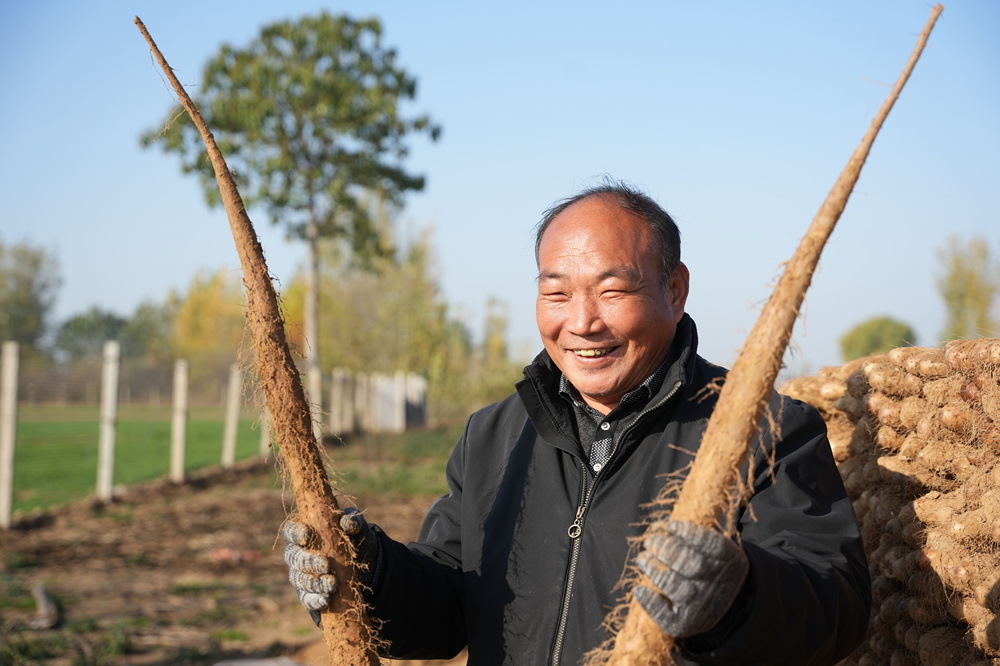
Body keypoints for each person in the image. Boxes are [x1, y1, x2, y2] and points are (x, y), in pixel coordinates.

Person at [283, 181, 872, 665]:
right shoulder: (493, 437)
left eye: (612, 290)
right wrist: (367, 574)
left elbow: (836, 609)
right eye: (556, 293)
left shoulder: (766, 430)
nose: (583, 322)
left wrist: (739, 596)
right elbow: (447, 611)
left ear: (675, 289)